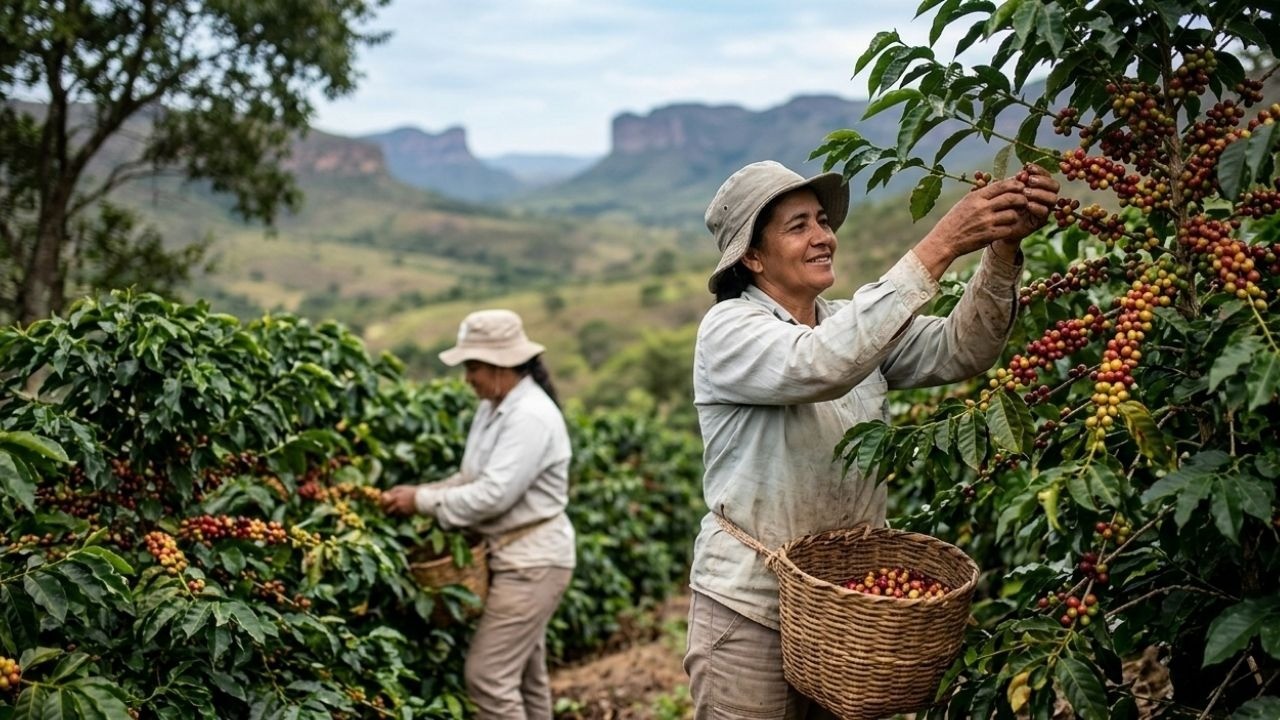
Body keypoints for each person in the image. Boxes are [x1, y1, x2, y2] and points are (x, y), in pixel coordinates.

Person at [684, 160, 1059, 719]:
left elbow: (964, 347)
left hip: (845, 611)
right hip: (749, 606)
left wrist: (1000, 249)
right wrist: (939, 245)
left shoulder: (846, 323)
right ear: (753, 258)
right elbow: (820, 364)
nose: (822, 238)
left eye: (822, 221)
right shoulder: (729, 330)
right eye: (798, 226)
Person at [380, 308, 574, 720]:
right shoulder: (494, 407)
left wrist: (421, 502)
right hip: (515, 559)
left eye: (472, 366)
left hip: (532, 563)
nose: (467, 377)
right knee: (525, 676)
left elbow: (490, 496)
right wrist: (423, 493)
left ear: (501, 365)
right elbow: (471, 477)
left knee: (487, 677)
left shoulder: (529, 418)